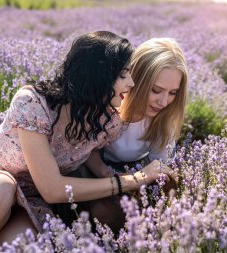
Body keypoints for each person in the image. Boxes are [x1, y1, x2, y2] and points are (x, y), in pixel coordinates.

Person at [0, 31, 175, 253]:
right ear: (98, 75)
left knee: (22, 247)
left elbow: (89, 149)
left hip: (30, 202)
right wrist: (135, 180)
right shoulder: (33, 103)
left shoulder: (108, 119)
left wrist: (107, 174)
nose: (131, 83)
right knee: (0, 191)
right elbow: (53, 189)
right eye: (123, 75)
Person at [82, 38, 188, 232]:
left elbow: (160, 169)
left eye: (173, 93)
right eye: (156, 90)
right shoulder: (108, 106)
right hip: (90, 172)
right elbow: (84, 149)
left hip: (131, 175)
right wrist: (111, 176)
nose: (164, 101)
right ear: (134, 80)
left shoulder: (162, 120)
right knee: (102, 212)